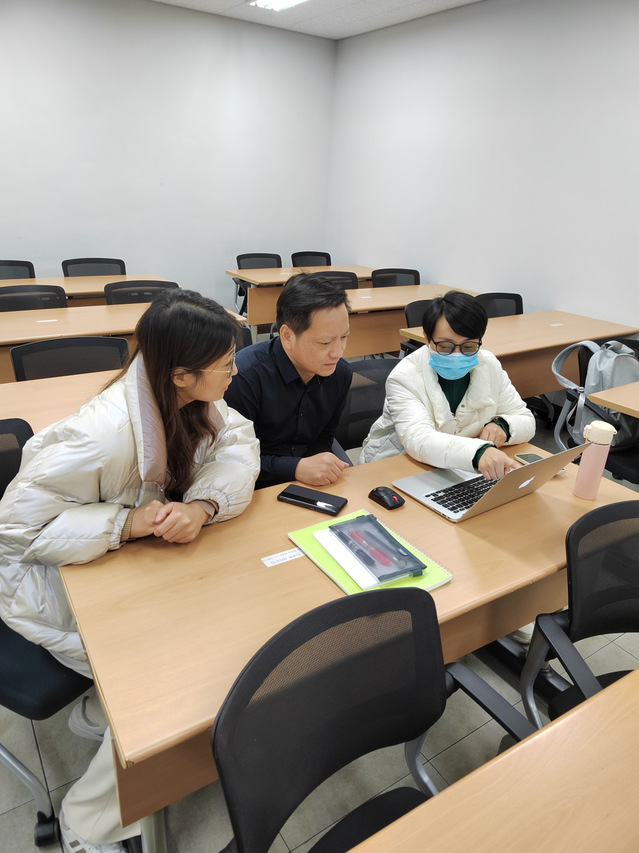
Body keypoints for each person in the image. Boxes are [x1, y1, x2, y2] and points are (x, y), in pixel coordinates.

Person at [0, 290, 260, 853]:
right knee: (181, 682)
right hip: (49, 589)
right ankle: (86, 824)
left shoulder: (193, 398)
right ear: (182, 374)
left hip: (122, 570)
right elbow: (16, 532)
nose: (236, 373)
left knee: (225, 627)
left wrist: (203, 505)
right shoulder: (101, 435)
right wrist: (125, 523)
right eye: (226, 364)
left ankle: (100, 714)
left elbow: (240, 446)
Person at [361, 291, 536, 477]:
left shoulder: (488, 364)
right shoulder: (405, 376)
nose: (457, 354)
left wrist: (503, 426)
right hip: (395, 465)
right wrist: (479, 452)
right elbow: (419, 439)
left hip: (455, 467)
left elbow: (525, 419)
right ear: (426, 338)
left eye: (469, 346)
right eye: (445, 346)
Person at [225, 273, 353, 489]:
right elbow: (231, 460)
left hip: (309, 480)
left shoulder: (340, 373)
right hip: (252, 485)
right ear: (287, 336)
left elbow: (324, 438)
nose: (338, 352)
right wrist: (296, 468)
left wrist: (318, 466)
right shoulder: (244, 377)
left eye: (344, 337)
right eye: (325, 342)